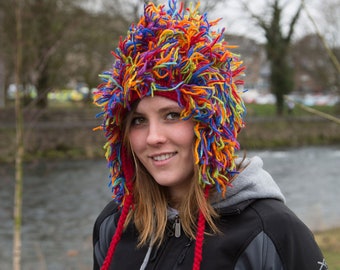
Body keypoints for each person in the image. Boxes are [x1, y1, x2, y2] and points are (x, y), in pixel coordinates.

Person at [92, 1, 327, 269]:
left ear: (211, 123)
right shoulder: (113, 226)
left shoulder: (271, 232)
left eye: (172, 115)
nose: (152, 137)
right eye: (138, 120)